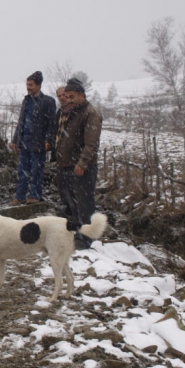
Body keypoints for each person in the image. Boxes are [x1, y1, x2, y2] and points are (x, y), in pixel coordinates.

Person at [55, 78, 103, 249]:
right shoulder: (73, 112)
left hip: (82, 166)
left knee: (85, 202)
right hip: (67, 164)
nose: (69, 100)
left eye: (72, 96)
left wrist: (82, 163)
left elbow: (91, 143)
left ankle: (86, 237)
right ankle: (77, 231)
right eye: (67, 96)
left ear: (82, 95)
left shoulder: (90, 113)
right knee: (71, 200)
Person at [9, 71, 56, 205]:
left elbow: (52, 123)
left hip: (38, 142)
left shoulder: (48, 101)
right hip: (25, 142)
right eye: (27, 84)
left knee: (37, 171)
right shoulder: (26, 101)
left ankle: (34, 195)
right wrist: (15, 140)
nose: (28, 87)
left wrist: (48, 140)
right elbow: (21, 122)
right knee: (22, 171)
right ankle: (20, 196)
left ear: (38, 85)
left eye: (31, 85)